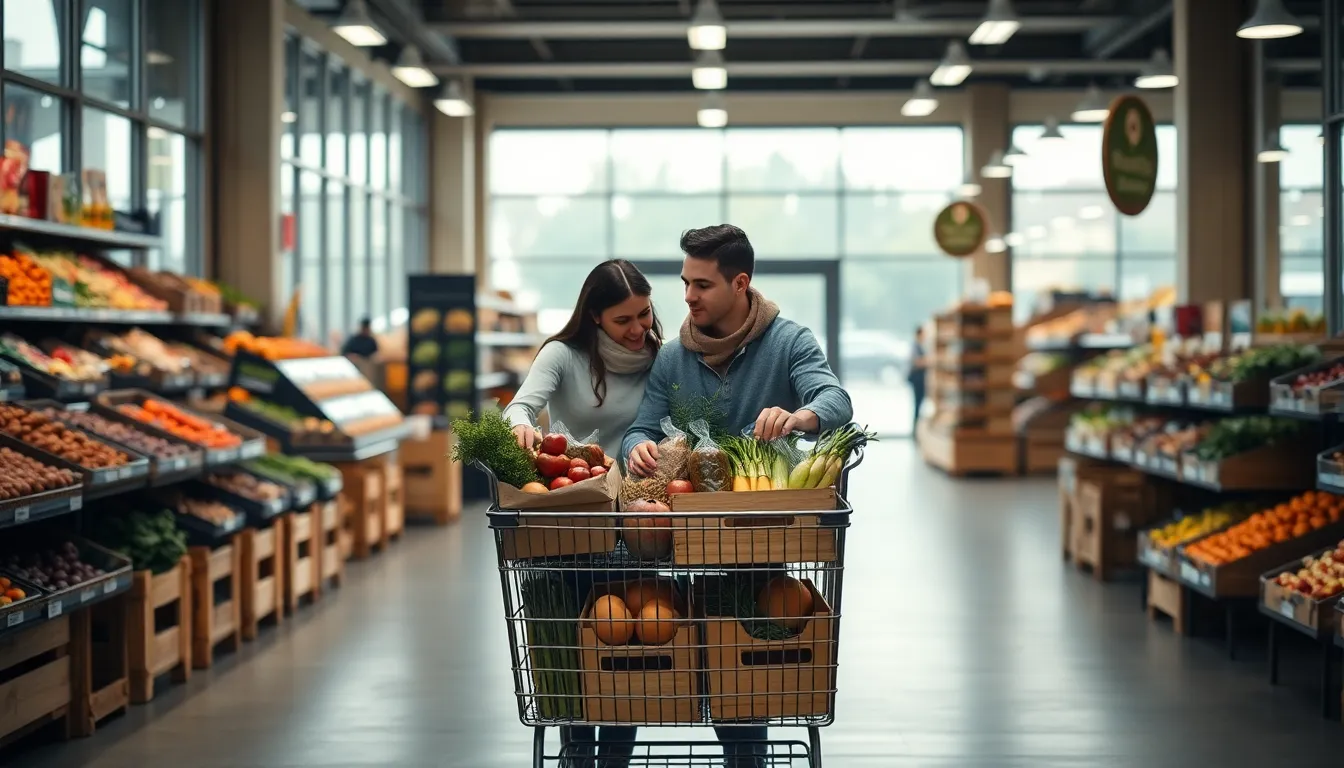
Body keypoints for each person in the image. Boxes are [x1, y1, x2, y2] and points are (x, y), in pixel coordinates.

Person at [620, 224, 852, 768]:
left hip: (754, 545)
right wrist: (637, 449)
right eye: (685, 282)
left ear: (740, 283)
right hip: (679, 540)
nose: (688, 296)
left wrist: (801, 415)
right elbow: (641, 425)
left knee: (742, 676)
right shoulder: (674, 356)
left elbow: (835, 398)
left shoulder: (789, 341)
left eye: (701, 284)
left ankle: (745, 759)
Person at [500, 259, 662, 767]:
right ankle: (577, 756)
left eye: (644, 313)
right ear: (594, 317)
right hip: (575, 519)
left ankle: (613, 761)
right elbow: (522, 405)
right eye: (623, 320)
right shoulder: (562, 356)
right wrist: (522, 425)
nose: (638, 329)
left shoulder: (662, 358)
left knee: (625, 652)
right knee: (571, 647)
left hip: (634, 520)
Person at [909, 325, 927, 439]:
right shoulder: (915, 347)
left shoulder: (920, 346)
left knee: (919, 404)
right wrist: (927, 361)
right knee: (917, 404)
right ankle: (915, 430)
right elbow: (916, 362)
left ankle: (917, 429)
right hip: (917, 379)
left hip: (920, 379)